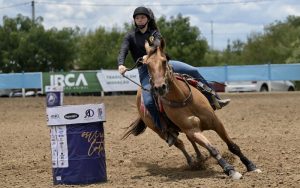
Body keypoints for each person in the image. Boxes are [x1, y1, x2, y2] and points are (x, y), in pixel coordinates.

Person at [117, 6, 230, 146]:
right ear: (134, 20)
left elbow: (158, 43)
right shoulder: (130, 36)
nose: (140, 20)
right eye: (137, 18)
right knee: (148, 102)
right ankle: (166, 130)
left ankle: (215, 99)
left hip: (164, 65)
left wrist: (151, 52)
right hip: (145, 71)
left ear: (147, 19)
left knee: (193, 70)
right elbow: (123, 50)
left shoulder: (154, 33)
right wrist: (121, 64)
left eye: (142, 17)